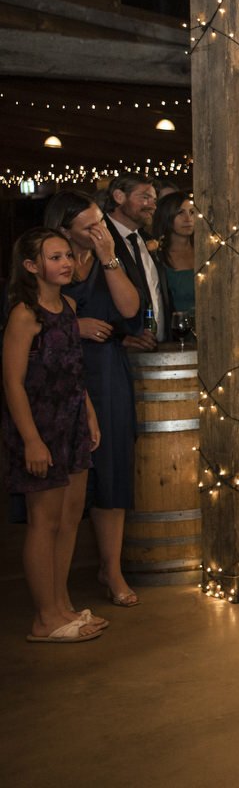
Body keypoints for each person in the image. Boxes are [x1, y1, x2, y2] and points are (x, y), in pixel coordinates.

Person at [4, 228, 106, 643]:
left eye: (67, 255)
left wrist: (90, 415)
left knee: (68, 519)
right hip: (39, 425)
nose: (66, 263)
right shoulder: (24, 315)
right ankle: (44, 618)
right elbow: (12, 382)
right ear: (32, 266)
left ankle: (61, 605)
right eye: (55, 257)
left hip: (72, 421)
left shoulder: (67, 305)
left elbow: (73, 369)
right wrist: (31, 439)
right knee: (43, 523)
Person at [43, 190, 142, 608]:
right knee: (62, 482)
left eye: (101, 221)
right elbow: (30, 316)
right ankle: (54, 588)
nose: (99, 231)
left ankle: (111, 569)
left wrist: (108, 257)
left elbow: (133, 312)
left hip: (105, 371)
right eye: (89, 227)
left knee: (113, 472)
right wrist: (73, 326)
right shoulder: (49, 258)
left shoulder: (110, 255)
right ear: (63, 230)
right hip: (59, 374)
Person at [103, 173, 175, 347]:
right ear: (119, 197)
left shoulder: (145, 239)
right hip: (117, 353)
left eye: (154, 200)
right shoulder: (101, 239)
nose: (152, 206)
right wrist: (120, 337)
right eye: (145, 197)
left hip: (159, 347)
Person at [151, 191, 195, 328]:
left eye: (192, 212)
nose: (188, 219)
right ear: (167, 216)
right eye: (180, 213)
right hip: (175, 330)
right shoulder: (157, 257)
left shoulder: (207, 252)